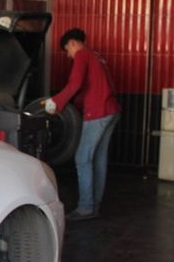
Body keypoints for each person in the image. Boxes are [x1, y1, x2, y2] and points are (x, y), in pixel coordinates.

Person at [44, 28, 120, 220]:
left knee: (82, 158)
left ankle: (85, 207)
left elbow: (75, 83)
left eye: (67, 50)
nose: (69, 55)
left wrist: (56, 102)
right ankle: (94, 205)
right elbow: (95, 86)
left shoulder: (82, 55)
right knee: (98, 158)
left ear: (72, 43)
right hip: (111, 110)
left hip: (98, 112)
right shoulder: (96, 56)